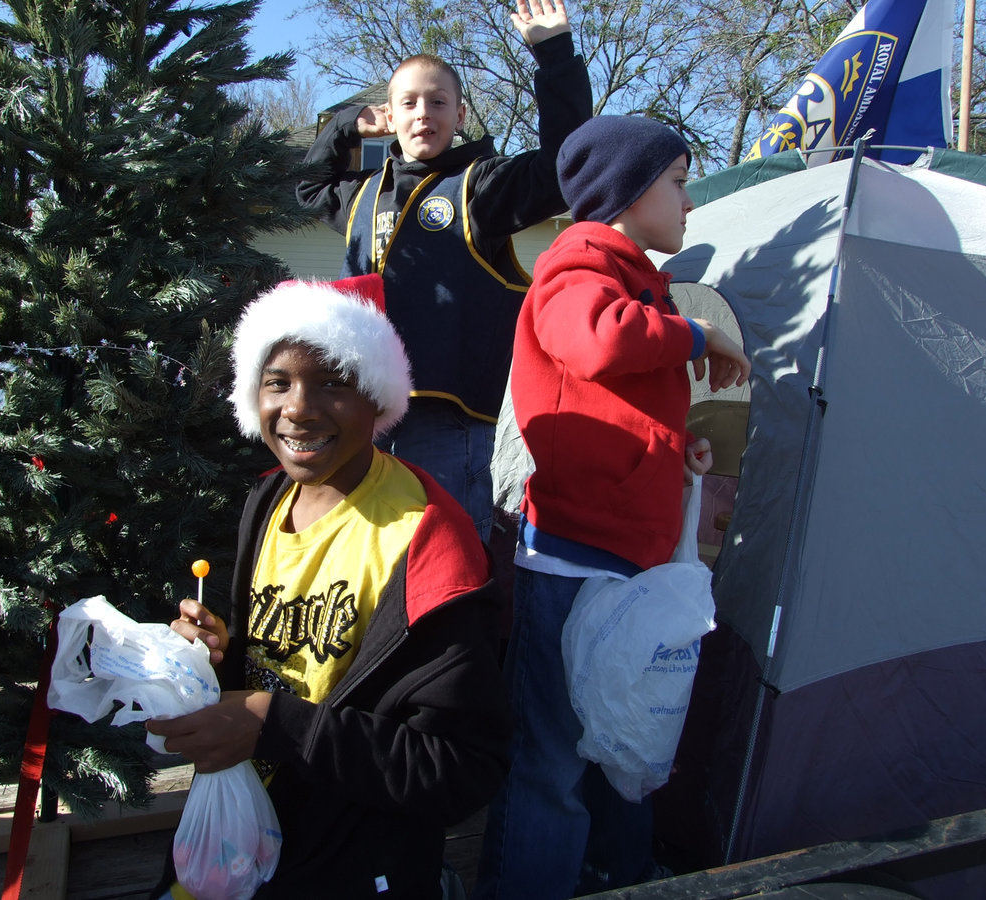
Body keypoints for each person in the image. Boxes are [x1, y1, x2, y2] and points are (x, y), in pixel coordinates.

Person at [146, 274, 510, 899]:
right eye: (278, 382)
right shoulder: (268, 498)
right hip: (242, 837)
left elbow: (458, 769)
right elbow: (271, 667)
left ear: (377, 396)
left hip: (349, 866)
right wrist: (217, 656)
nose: (299, 408)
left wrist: (275, 724)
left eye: (334, 382)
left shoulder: (428, 545)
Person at [472, 115, 751, 900]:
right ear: (627, 191)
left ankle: (617, 874)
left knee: (617, 734)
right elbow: (596, 341)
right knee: (553, 755)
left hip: (629, 555)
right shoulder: (578, 262)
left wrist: (675, 452)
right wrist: (696, 333)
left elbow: (614, 404)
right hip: (574, 556)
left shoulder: (635, 279)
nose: (690, 202)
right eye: (679, 182)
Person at [295, 0, 592, 541]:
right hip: (359, 412)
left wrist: (554, 53)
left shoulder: (481, 187)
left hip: (447, 419)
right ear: (390, 116)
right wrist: (346, 124)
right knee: (364, 551)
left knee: (449, 553)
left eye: (438, 101)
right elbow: (311, 186)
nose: (423, 113)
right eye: (408, 103)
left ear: (460, 115)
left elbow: (563, 166)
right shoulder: (364, 196)